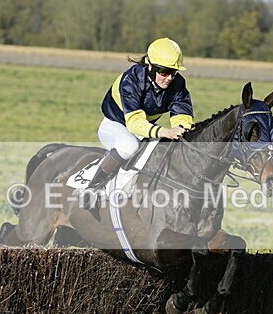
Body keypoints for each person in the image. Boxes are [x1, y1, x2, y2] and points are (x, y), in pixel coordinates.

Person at [78, 37, 194, 208]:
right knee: (129, 146)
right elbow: (134, 123)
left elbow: (182, 113)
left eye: (173, 72)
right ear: (150, 66)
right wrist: (164, 132)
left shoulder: (177, 84)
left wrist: (183, 129)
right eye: (163, 71)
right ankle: (91, 189)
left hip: (144, 129)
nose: (169, 77)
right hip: (116, 125)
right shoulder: (131, 80)